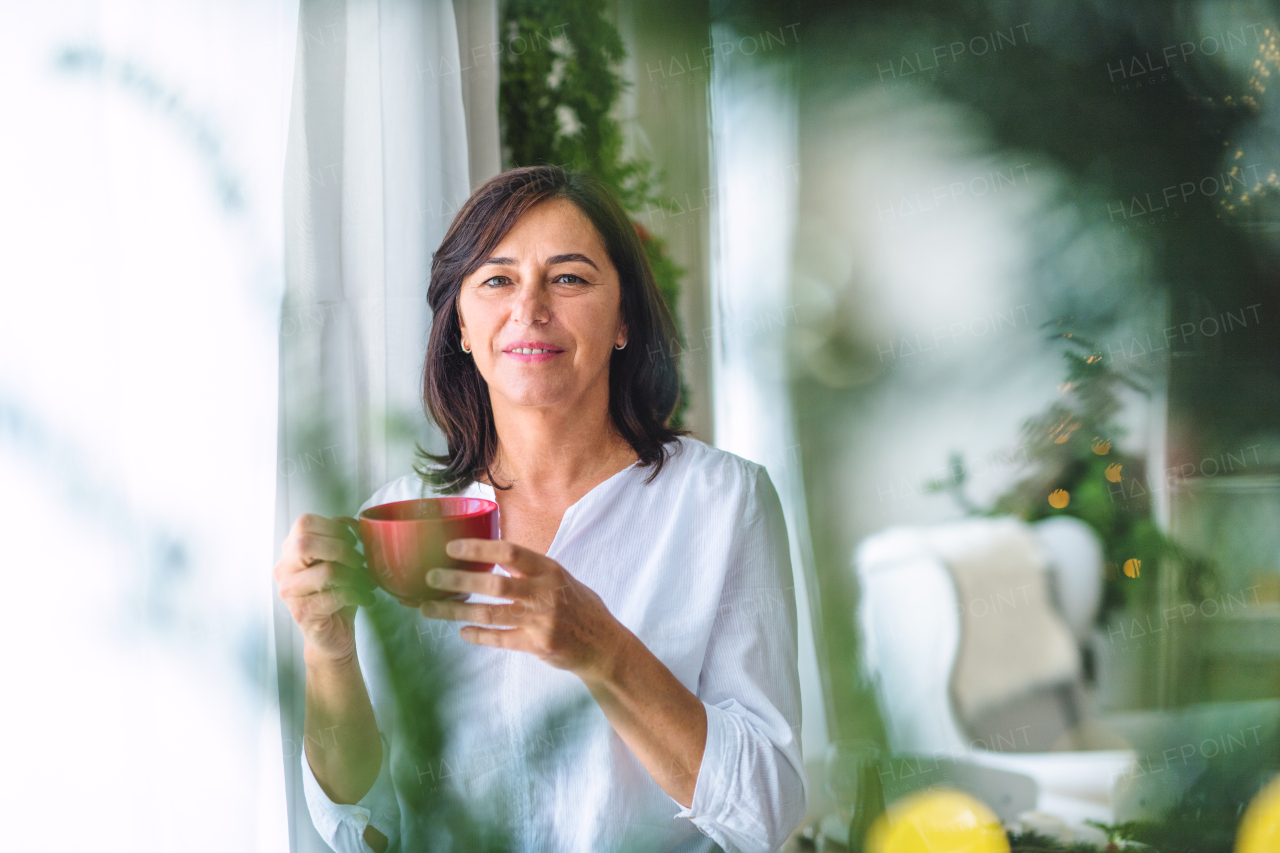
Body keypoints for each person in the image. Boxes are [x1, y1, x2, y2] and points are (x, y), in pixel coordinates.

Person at [274, 165, 806, 853]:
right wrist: (329, 645)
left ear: (623, 320)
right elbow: (361, 823)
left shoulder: (725, 503)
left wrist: (603, 648)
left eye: (570, 278)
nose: (530, 308)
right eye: (497, 279)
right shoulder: (397, 519)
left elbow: (766, 810)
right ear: (461, 325)